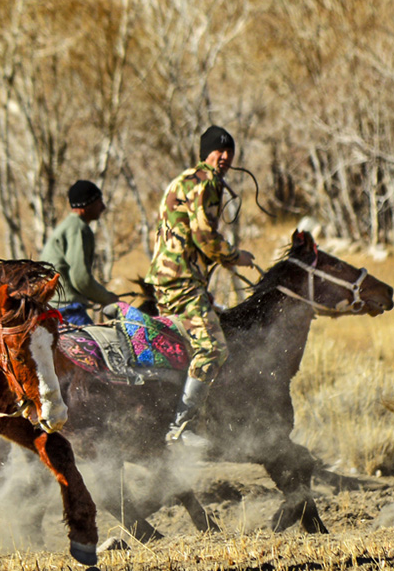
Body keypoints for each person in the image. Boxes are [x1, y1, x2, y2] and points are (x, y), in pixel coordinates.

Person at [144, 125, 255, 447]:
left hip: (166, 280)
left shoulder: (182, 180)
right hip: (181, 280)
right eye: (219, 150)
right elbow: (204, 236)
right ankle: (181, 428)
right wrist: (234, 256)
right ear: (206, 153)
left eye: (229, 151)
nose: (225, 156)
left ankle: (162, 418)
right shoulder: (206, 182)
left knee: (179, 349)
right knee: (212, 349)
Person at [40, 180, 118, 326]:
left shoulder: (68, 225)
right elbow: (80, 279)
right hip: (67, 310)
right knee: (98, 340)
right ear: (87, 205)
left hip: (52, 308)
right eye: (99, 201)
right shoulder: (78, 228)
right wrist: (108, 298)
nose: (103, 207)